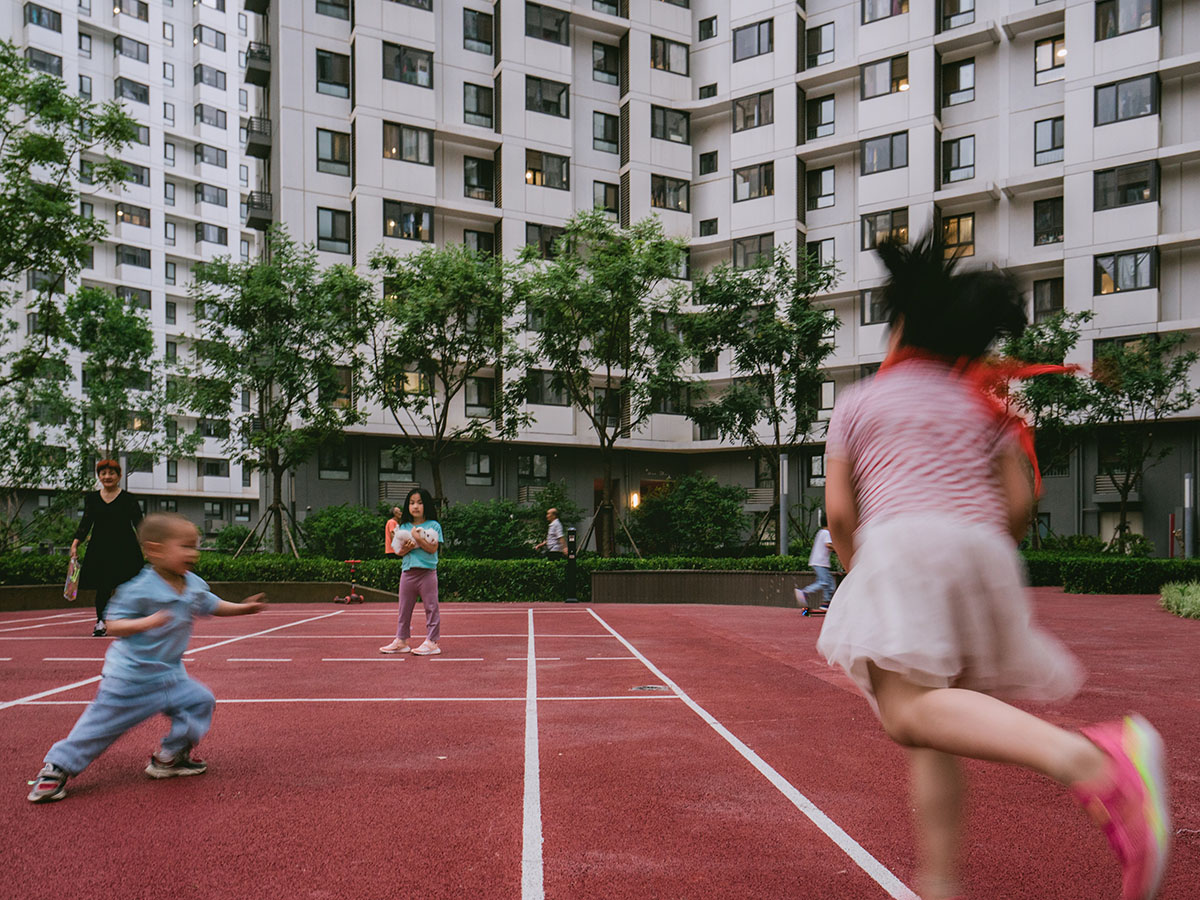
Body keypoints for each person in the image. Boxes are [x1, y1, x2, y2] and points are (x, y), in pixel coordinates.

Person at [815, 232, 1170, 900]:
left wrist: (868, 573)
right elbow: (1020, 501)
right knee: (933, 726)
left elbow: (839, 515)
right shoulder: (985, 403)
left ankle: (1093, 759)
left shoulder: (860, 402)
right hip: (981, 555)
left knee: (904, 714)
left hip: (906, 545)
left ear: (901, 329)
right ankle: (942, 883)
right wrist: (981, 550)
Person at [27, 513, 268, 803]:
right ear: (155, 550)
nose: (194, 553)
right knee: (99, 727)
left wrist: (243, 609)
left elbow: (212, 604)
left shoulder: (192, 584)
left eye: (196, 547)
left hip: (170, 676)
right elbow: (112, 624)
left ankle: (168, 757)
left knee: (200, 701)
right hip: (130, 679)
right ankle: (57, 768)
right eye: (186, 546)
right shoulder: (138, 588)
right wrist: (147, 622)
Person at [72, 459, 145, 637]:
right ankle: (100, 622)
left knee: (128, 586)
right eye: (103, 473)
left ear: (119, 476)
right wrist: (75, 544)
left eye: (111, 473)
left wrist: (149, 544)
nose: (107, 477)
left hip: (126, 548)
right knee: (103, 587)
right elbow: (85, 523)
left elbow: (140, 524)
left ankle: (129, 622)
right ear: (99, 477)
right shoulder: (92, 499)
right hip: (100, 548)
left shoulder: (129, 499)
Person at [380, 487, 444, 656]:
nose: (415, 506)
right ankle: (401, 641)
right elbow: (398, 551)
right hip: (408, 573)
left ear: (427, 505)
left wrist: (417, 539)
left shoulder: (434, 526)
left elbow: (433, 548)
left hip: (427, 573)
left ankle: (432, 642)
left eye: (420, 503)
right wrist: (406, 549)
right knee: (404, 608)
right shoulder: (404, 526)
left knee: (431, 607)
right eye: (412, 503)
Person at [799, 515, 835, 610]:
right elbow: (828, 545)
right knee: (824, 582)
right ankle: (805, 592)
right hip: (820, 562)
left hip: (818, 562)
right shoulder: (826, 532)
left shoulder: (820, 532)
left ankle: (826, 603)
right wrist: (837, 549)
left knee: (830, 583)